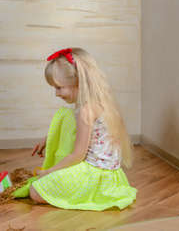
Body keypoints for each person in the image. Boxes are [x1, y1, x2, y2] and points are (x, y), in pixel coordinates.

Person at [14, 48, 136, 210]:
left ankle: (89, 193)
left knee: (35, 191)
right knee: (67, 114)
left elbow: (77, 155)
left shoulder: (86, 111)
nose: (56, 94)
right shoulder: (101, 103)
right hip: (112, 176)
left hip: (94, 176)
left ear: (78, 83)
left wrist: (49, 171)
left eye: (58, 87)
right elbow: (76, 131)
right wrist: (48, 139)